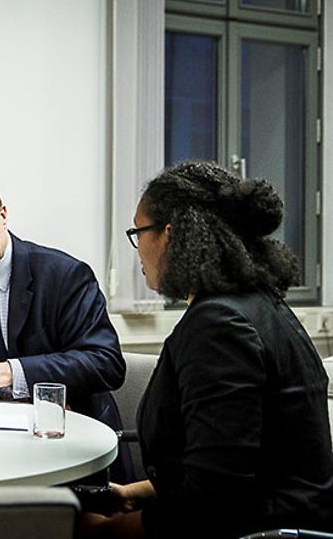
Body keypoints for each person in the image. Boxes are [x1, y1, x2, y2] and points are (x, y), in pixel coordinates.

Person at [81, 162, 333, 538]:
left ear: (168, 235)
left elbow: (215, 499)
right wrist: (137, 494)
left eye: (138, 232)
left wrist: (104, 531)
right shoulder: (258, 304)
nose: (137, 249)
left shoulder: (218, 328)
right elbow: (235, 463)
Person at [0, 170, 126, 436]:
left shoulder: (64, 275)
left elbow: (106, 362)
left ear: (3, 215)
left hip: (74, 431)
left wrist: (10, 372)